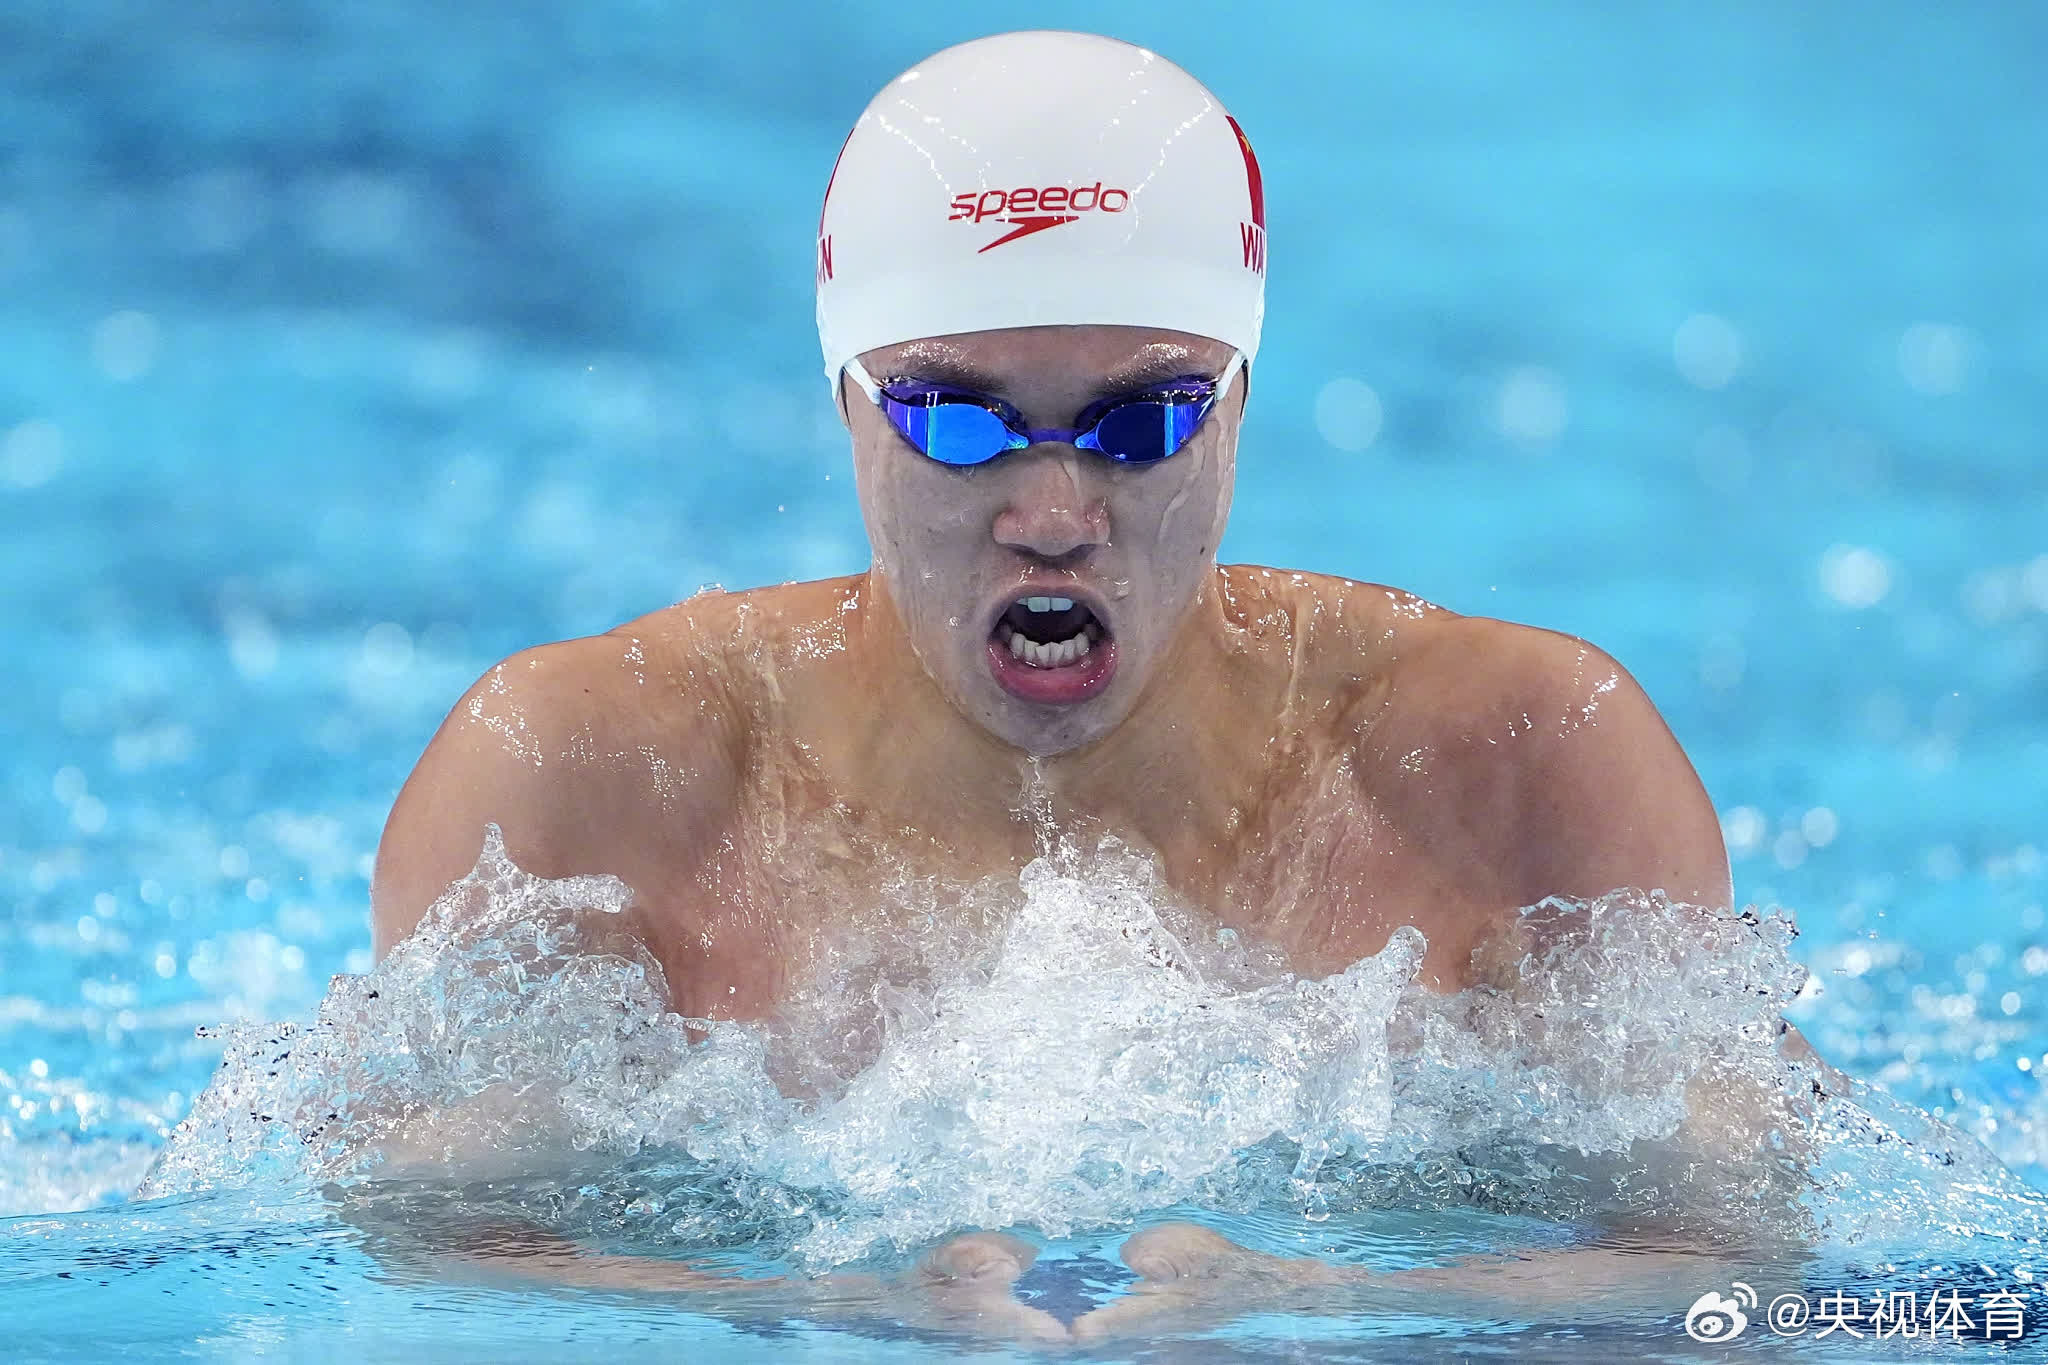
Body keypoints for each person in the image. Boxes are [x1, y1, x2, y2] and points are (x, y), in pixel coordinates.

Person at [366, 29, 1812, 1341]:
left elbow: (1741, 1261)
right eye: (957, 421)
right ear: (847, 403)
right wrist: (827, 1311)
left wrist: (1330, 1307)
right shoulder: (577, 788)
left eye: (1142, 422)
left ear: (1238, 405)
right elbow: (422, 1245)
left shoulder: (1521, 767)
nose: (1054, 513)